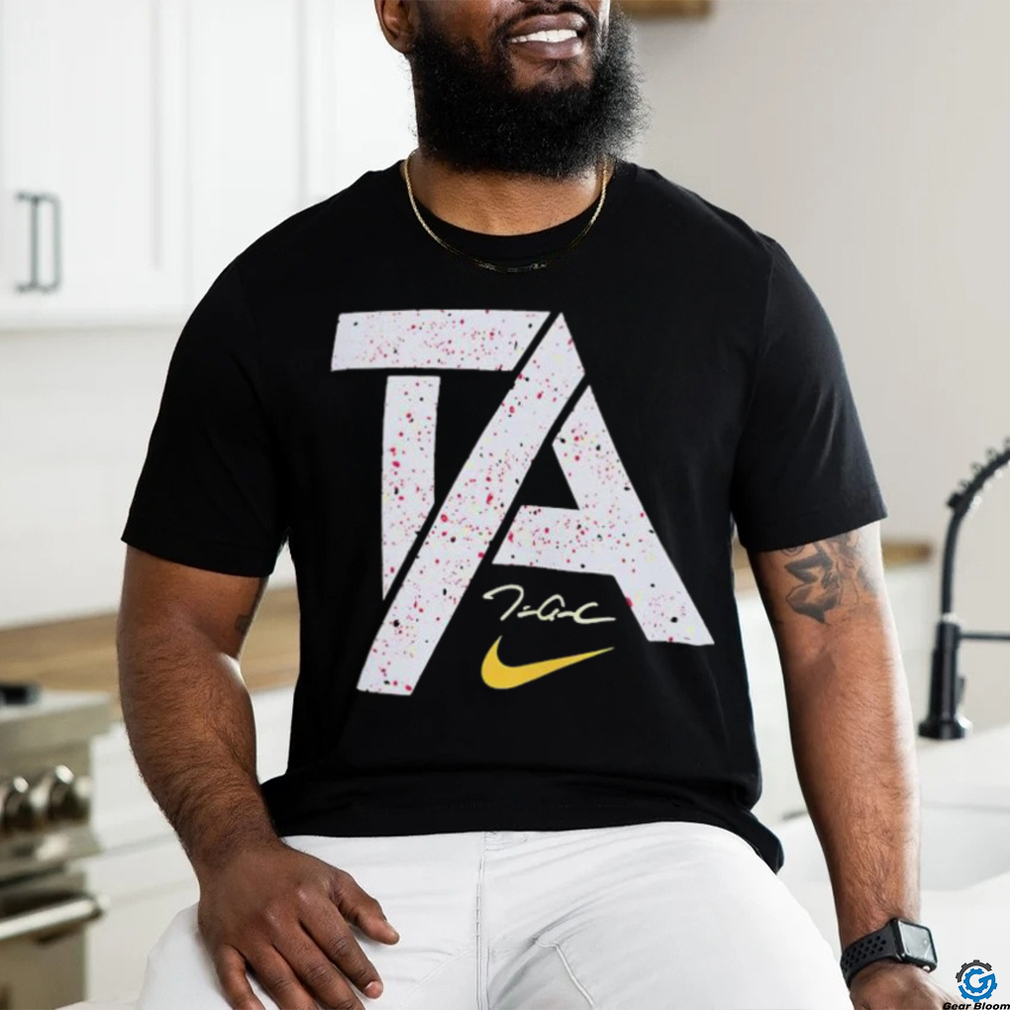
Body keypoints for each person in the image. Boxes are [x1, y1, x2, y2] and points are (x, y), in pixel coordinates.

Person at [117, 2, 952, 1008]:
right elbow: (177, 622)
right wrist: (232, 849)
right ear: (397, 12)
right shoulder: (273, 297)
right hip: (352, 859)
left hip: (662, 857)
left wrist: (886, 946)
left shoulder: (739, 286)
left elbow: (836, 630)